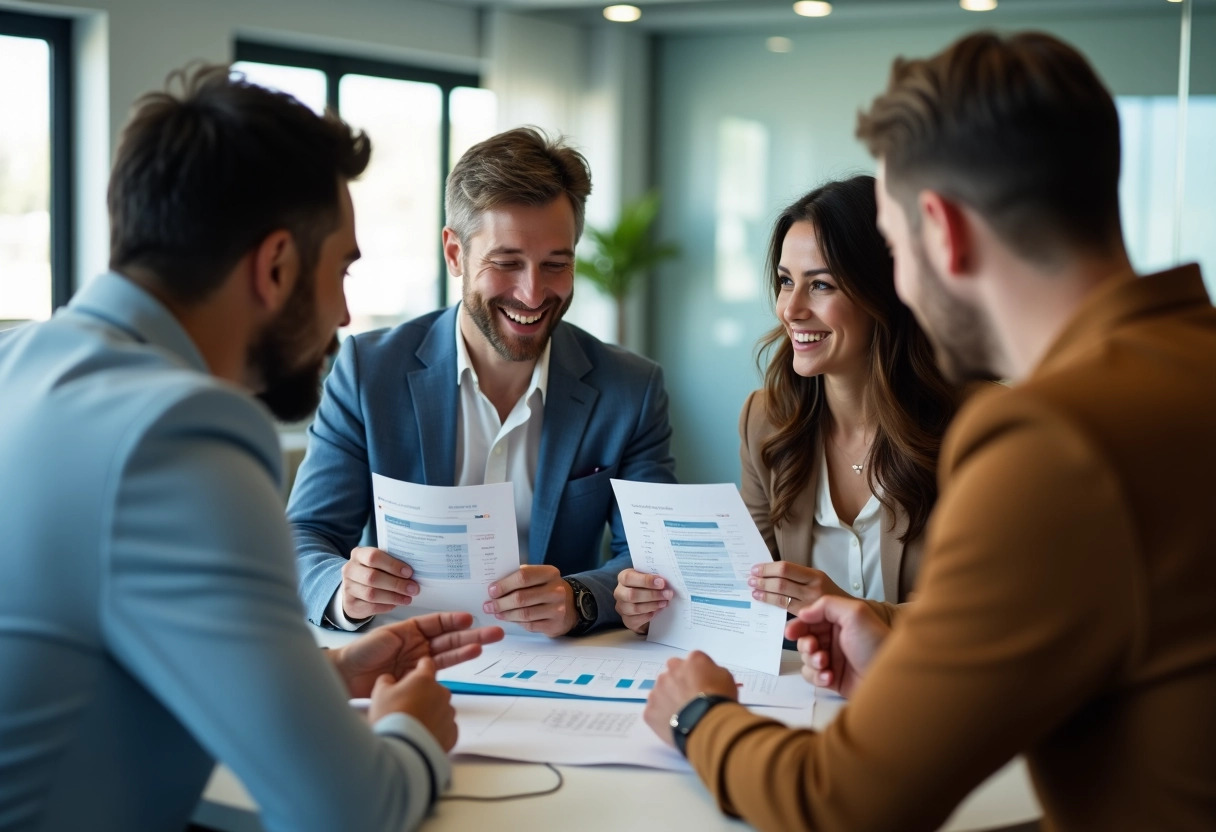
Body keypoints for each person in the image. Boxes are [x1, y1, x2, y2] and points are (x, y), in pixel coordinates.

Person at [643, 30, 1216, 831]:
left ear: (941, 231)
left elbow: (842, 804)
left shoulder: (1052, 445)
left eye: (895, 241)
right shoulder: (1189, 362)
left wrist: (700, 718)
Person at [0, 65, 503, 832]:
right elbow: (347, 814)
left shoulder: (19, 365)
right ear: (274, 267)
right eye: (340, 270)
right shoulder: (176, 430)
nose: (342, 312)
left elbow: (99, 659)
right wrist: (413, 731)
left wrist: (328, 677)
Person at [289, 126, 677, 638]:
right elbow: (304, 537)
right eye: (507, 263)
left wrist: (580, 598)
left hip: (560, 671)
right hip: (406, 656)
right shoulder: (368, 372)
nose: (533, 293)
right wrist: (345, 588)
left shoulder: (632, 389)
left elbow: (652, 564)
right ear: (455, 254)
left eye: (555, 265)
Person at [613, 176, 956, 634]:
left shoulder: (975, 426)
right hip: (807, 692)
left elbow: (989, 615)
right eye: (785, 281)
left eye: (821, 286)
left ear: (890, 292)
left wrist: (851, 611)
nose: (790, 309)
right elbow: (751, 588)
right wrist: (661, 606)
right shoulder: (767, 421)